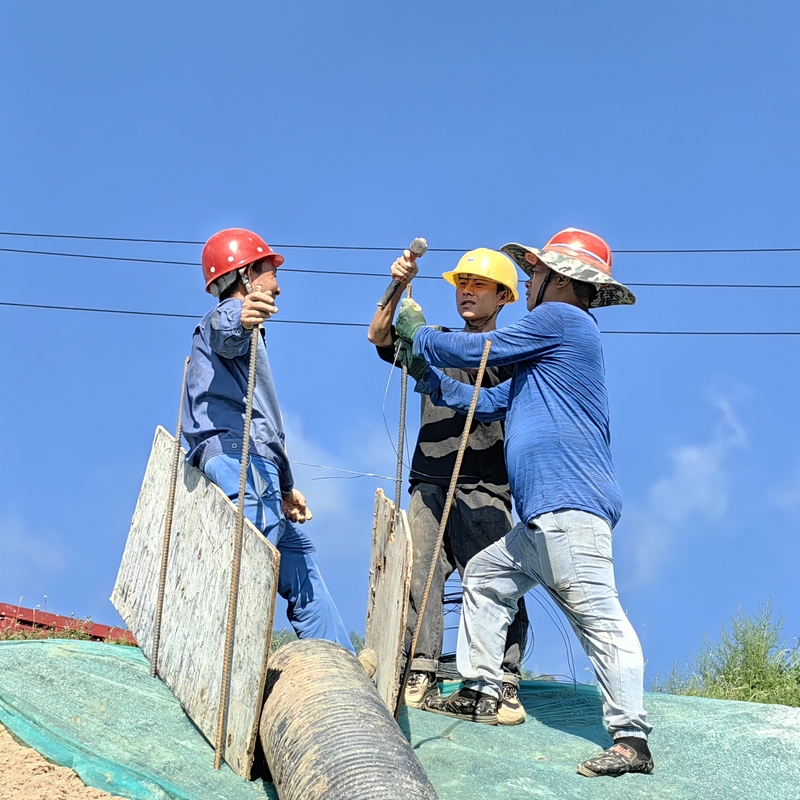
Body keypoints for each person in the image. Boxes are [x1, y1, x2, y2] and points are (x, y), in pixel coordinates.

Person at [394, 228, 654, 778]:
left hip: (572, 508)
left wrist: (420, 337)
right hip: (539, 521)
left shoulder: (564, 321)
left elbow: (478, 348)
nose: (529, 282)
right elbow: (482, 402)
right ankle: (484, 690)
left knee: (601, 621)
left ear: (561, 279)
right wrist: (430, 379)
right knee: (487, 578)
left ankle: (632, 739)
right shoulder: (546, 361)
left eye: (534, 273)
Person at [367, 247, 529, 724]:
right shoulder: (434, 340)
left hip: (487, 483)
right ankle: (422, 669)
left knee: (498, 581)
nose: (466, 292)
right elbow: (379, 334)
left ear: (503, 296)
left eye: (478, 285)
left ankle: (503, 676)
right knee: (420, 572)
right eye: (462, 284)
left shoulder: (514, 348)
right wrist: (398, 284)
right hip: (433, 477)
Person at [182, 228, 353, 652]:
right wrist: (243, 316)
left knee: (299, 560)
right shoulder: (224, 319)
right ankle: (229, 660)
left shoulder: (252, 339)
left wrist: (285, 483)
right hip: (237, 457)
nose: (278, 283)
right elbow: (227, 329)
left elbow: (262, 422)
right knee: (251, 562)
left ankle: (338, 662)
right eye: (269, 272)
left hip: (258, 463)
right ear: (245, 277)